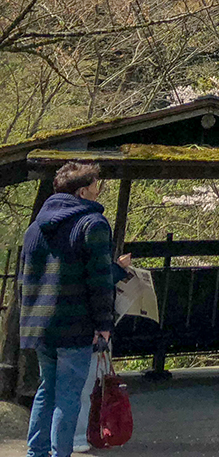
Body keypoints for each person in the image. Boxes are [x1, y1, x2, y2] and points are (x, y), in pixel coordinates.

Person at [19, 163, 129, 457]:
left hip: (40, 326)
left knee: (47, 390)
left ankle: (36, 453)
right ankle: (60, 453)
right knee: (68, 397)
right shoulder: (92, 223)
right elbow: (98, 279)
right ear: (83, 191)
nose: (98, 191)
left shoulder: (34, 229)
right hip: (75, 324)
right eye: (96, 186)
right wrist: (104, 323)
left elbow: (25, 280)